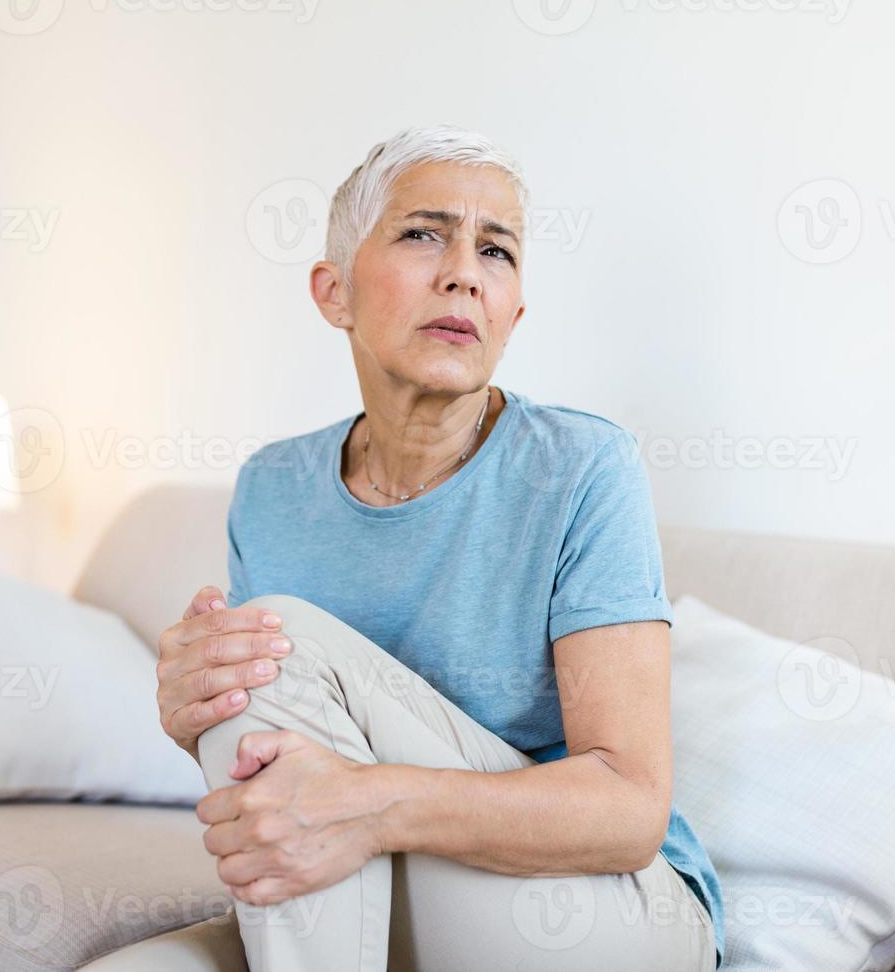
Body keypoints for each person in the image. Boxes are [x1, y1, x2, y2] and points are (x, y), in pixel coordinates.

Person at [107, 125, 723, 971]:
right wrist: (201, 716)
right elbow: (285, 773)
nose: (464, 271)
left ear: (513, 314)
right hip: (383, 890)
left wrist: (372, 806)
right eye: (423, 233)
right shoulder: (272, 488)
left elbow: (627, 809)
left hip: (602, 909)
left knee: (274, 631)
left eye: (496, 250)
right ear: (334, 292)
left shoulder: (582, 466)